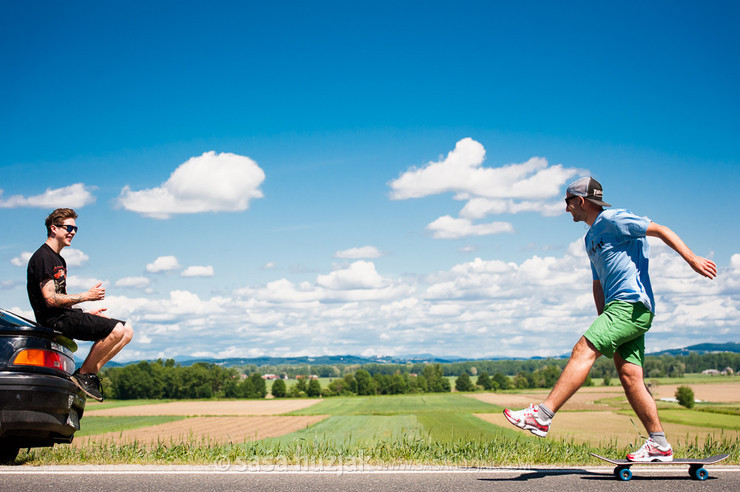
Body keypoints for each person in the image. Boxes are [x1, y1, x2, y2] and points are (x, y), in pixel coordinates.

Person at [503, 177, 717, 462]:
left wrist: (692, 259)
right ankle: (659, 444)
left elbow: (660, 230)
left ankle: (542, 416)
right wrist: (602, 319)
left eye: (567, 202)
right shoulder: (590, 238)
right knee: (630, 377)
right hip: (617, 310)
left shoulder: (614, 219)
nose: (566, 209)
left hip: (631, 305)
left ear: (580, 201)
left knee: (583, 348)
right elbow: (597, 282)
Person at [26, 208, 134, 402]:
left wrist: (86, 313)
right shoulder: (43, 257)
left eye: (76, 229)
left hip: (64, 315)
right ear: (53, 228)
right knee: (116, 330)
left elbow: (61, 298)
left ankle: (89, 375)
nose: (73, 232)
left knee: (127, 331)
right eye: (68, 228)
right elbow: (50, 299)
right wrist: (87, 296)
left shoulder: (58, 258)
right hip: (53, 320)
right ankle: (83, 374)